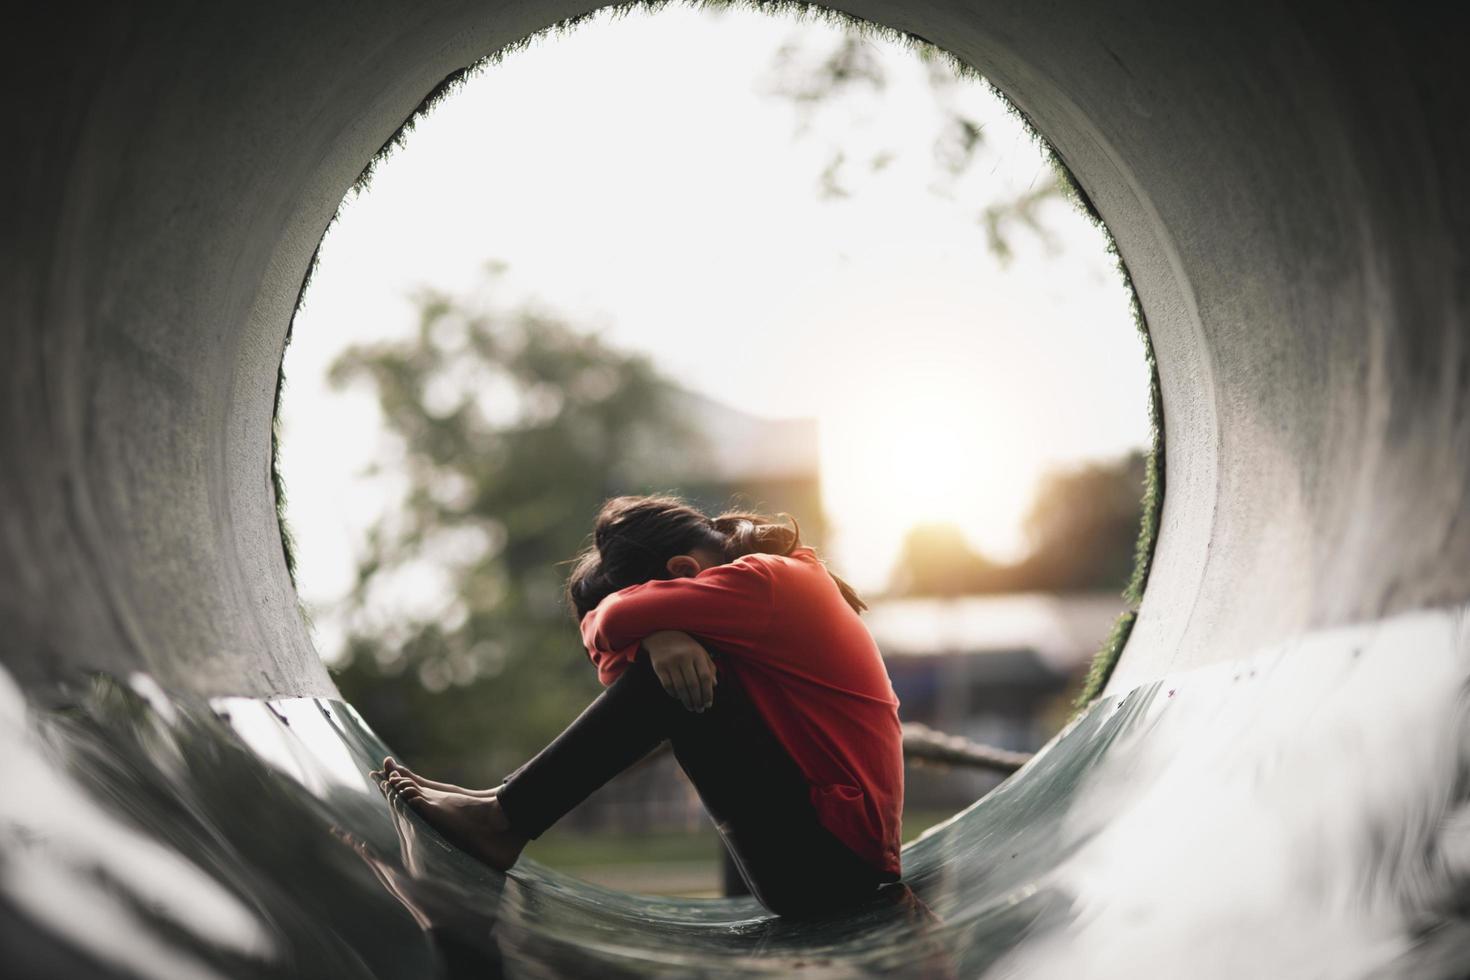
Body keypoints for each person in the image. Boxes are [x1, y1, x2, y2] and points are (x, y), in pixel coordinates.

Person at [374, 494, 905, 917]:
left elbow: (606, 624)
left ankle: (502, 820)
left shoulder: (763, 581)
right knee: (678, 669)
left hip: (827, 868)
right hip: (825, 859)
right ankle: (502, 806)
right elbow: (612, 652)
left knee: (673, 679)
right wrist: (660, 635)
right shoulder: (768, 582)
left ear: (682, 571)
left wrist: (654, 637)